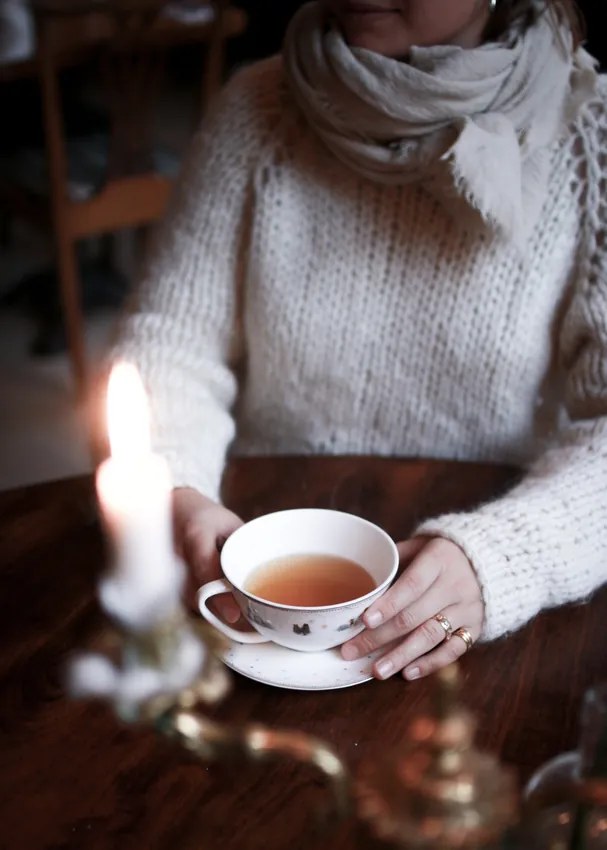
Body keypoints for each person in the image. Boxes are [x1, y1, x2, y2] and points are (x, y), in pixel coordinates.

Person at [114, 0, 607, 682]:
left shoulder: (590, 132)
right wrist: (175, 486)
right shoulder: (256, 108)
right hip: (259, 583)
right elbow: (170, 343)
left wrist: (505, 555)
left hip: (480, 623)